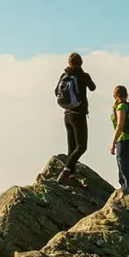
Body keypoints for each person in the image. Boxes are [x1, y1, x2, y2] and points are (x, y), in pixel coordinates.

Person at [54, 52, 96, 184]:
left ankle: (71, 175)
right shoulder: (83, 76)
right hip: (78, 114)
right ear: (81, 63)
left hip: (67, 114)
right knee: (82, 147)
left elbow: (56, 92)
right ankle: (66, 170)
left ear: (69, 63)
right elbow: (93, 88)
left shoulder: (64, 75)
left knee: (71, 147)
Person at [109, 85, 129, 196]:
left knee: (124, 173)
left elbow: (120, 126)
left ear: (116, 95)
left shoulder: (121, 106)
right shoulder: (128, 106)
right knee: (127, 172)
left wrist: (113, 143)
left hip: (124, 142)